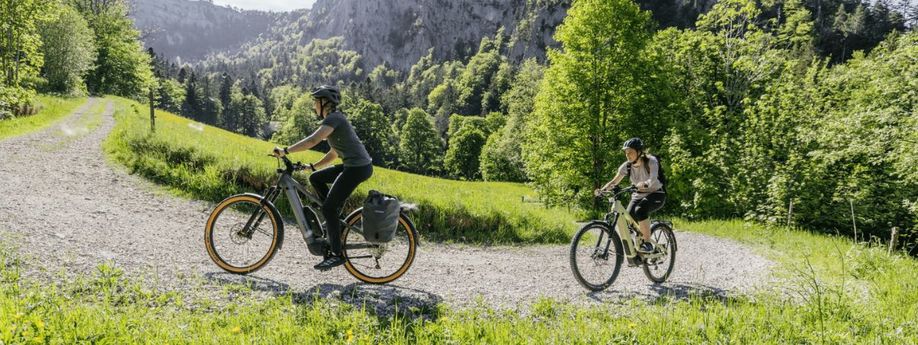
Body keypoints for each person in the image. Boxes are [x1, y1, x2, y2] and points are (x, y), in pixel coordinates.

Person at [272, 85, 373, 271]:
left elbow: (312, 141)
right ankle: (335, 221)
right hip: (354, 165)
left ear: (323, 102)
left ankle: (336, 254)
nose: (313, 106)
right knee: (316, 178)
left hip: (357, 168)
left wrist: (285, 150)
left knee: (328, 207)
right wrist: (312, 167)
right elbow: (334, 153)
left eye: (315, 102)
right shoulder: (335, 120)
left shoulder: (334, 119)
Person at [594, 137, 666, 253]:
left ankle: (647, 243)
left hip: (656, 194)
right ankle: (638, 242)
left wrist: (645, 184)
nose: (628, 155)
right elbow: (614, 182)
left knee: (640, 210)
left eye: (630, 152)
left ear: (639, 152)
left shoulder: (651, 161)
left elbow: (653, 179)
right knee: (628, 217)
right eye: (626, 153)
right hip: (638, 195)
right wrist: (602, 190)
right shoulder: (626, 166)